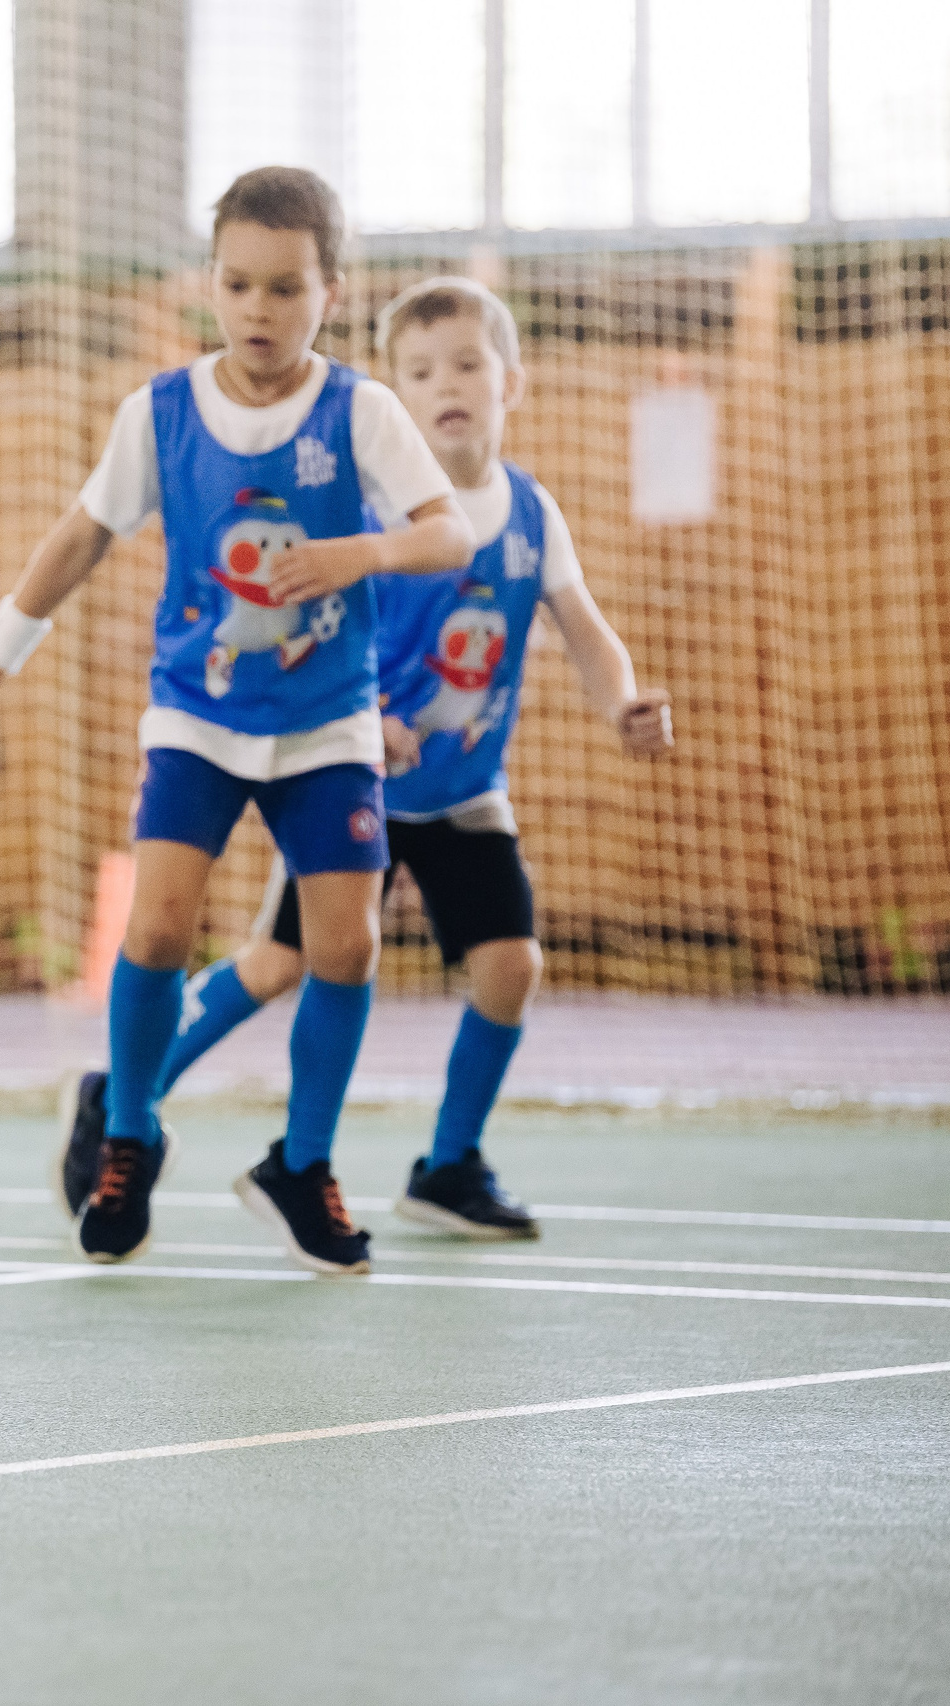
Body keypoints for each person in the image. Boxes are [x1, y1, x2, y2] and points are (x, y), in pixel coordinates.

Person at [0, 166, 474, 1275]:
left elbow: (449, 534)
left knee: (346, 944)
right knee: (157, 929)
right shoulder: (159, 413)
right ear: (210, 282)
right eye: (238, 284)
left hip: (327, 723)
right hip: (197, 716)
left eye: (286, 289)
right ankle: (128, 1135)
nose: (260, 309)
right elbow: (80, 536)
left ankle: (302, 1164)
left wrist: (356, 553)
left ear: (332, 293)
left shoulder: (361, 411)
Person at [151, 275, 675, 1237]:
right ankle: (125, 1095)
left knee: (511, 966)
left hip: (465, 793)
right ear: (395, 398)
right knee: (277, 964)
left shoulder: (532, 511)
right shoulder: (375, 518)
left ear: (511, 383)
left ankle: (448, 1166)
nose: (448, 385)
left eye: (467, 364)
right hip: (351, 782)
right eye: (421, 372)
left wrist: (624, 702)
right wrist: (372, 714)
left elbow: (585, 631)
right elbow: (313, 631)